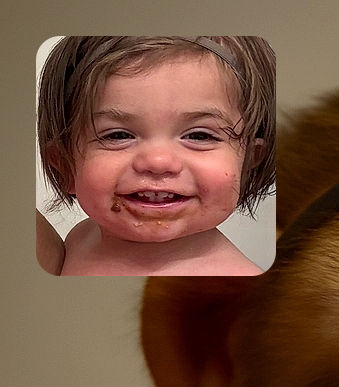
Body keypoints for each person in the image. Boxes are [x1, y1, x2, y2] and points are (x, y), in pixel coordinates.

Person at [36, 36, 275, 276]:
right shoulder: (82, 237)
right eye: (118, 135)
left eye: (199, 136)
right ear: (64, 165)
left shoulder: (235, 283)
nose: (158, 162)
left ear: (250, 161)